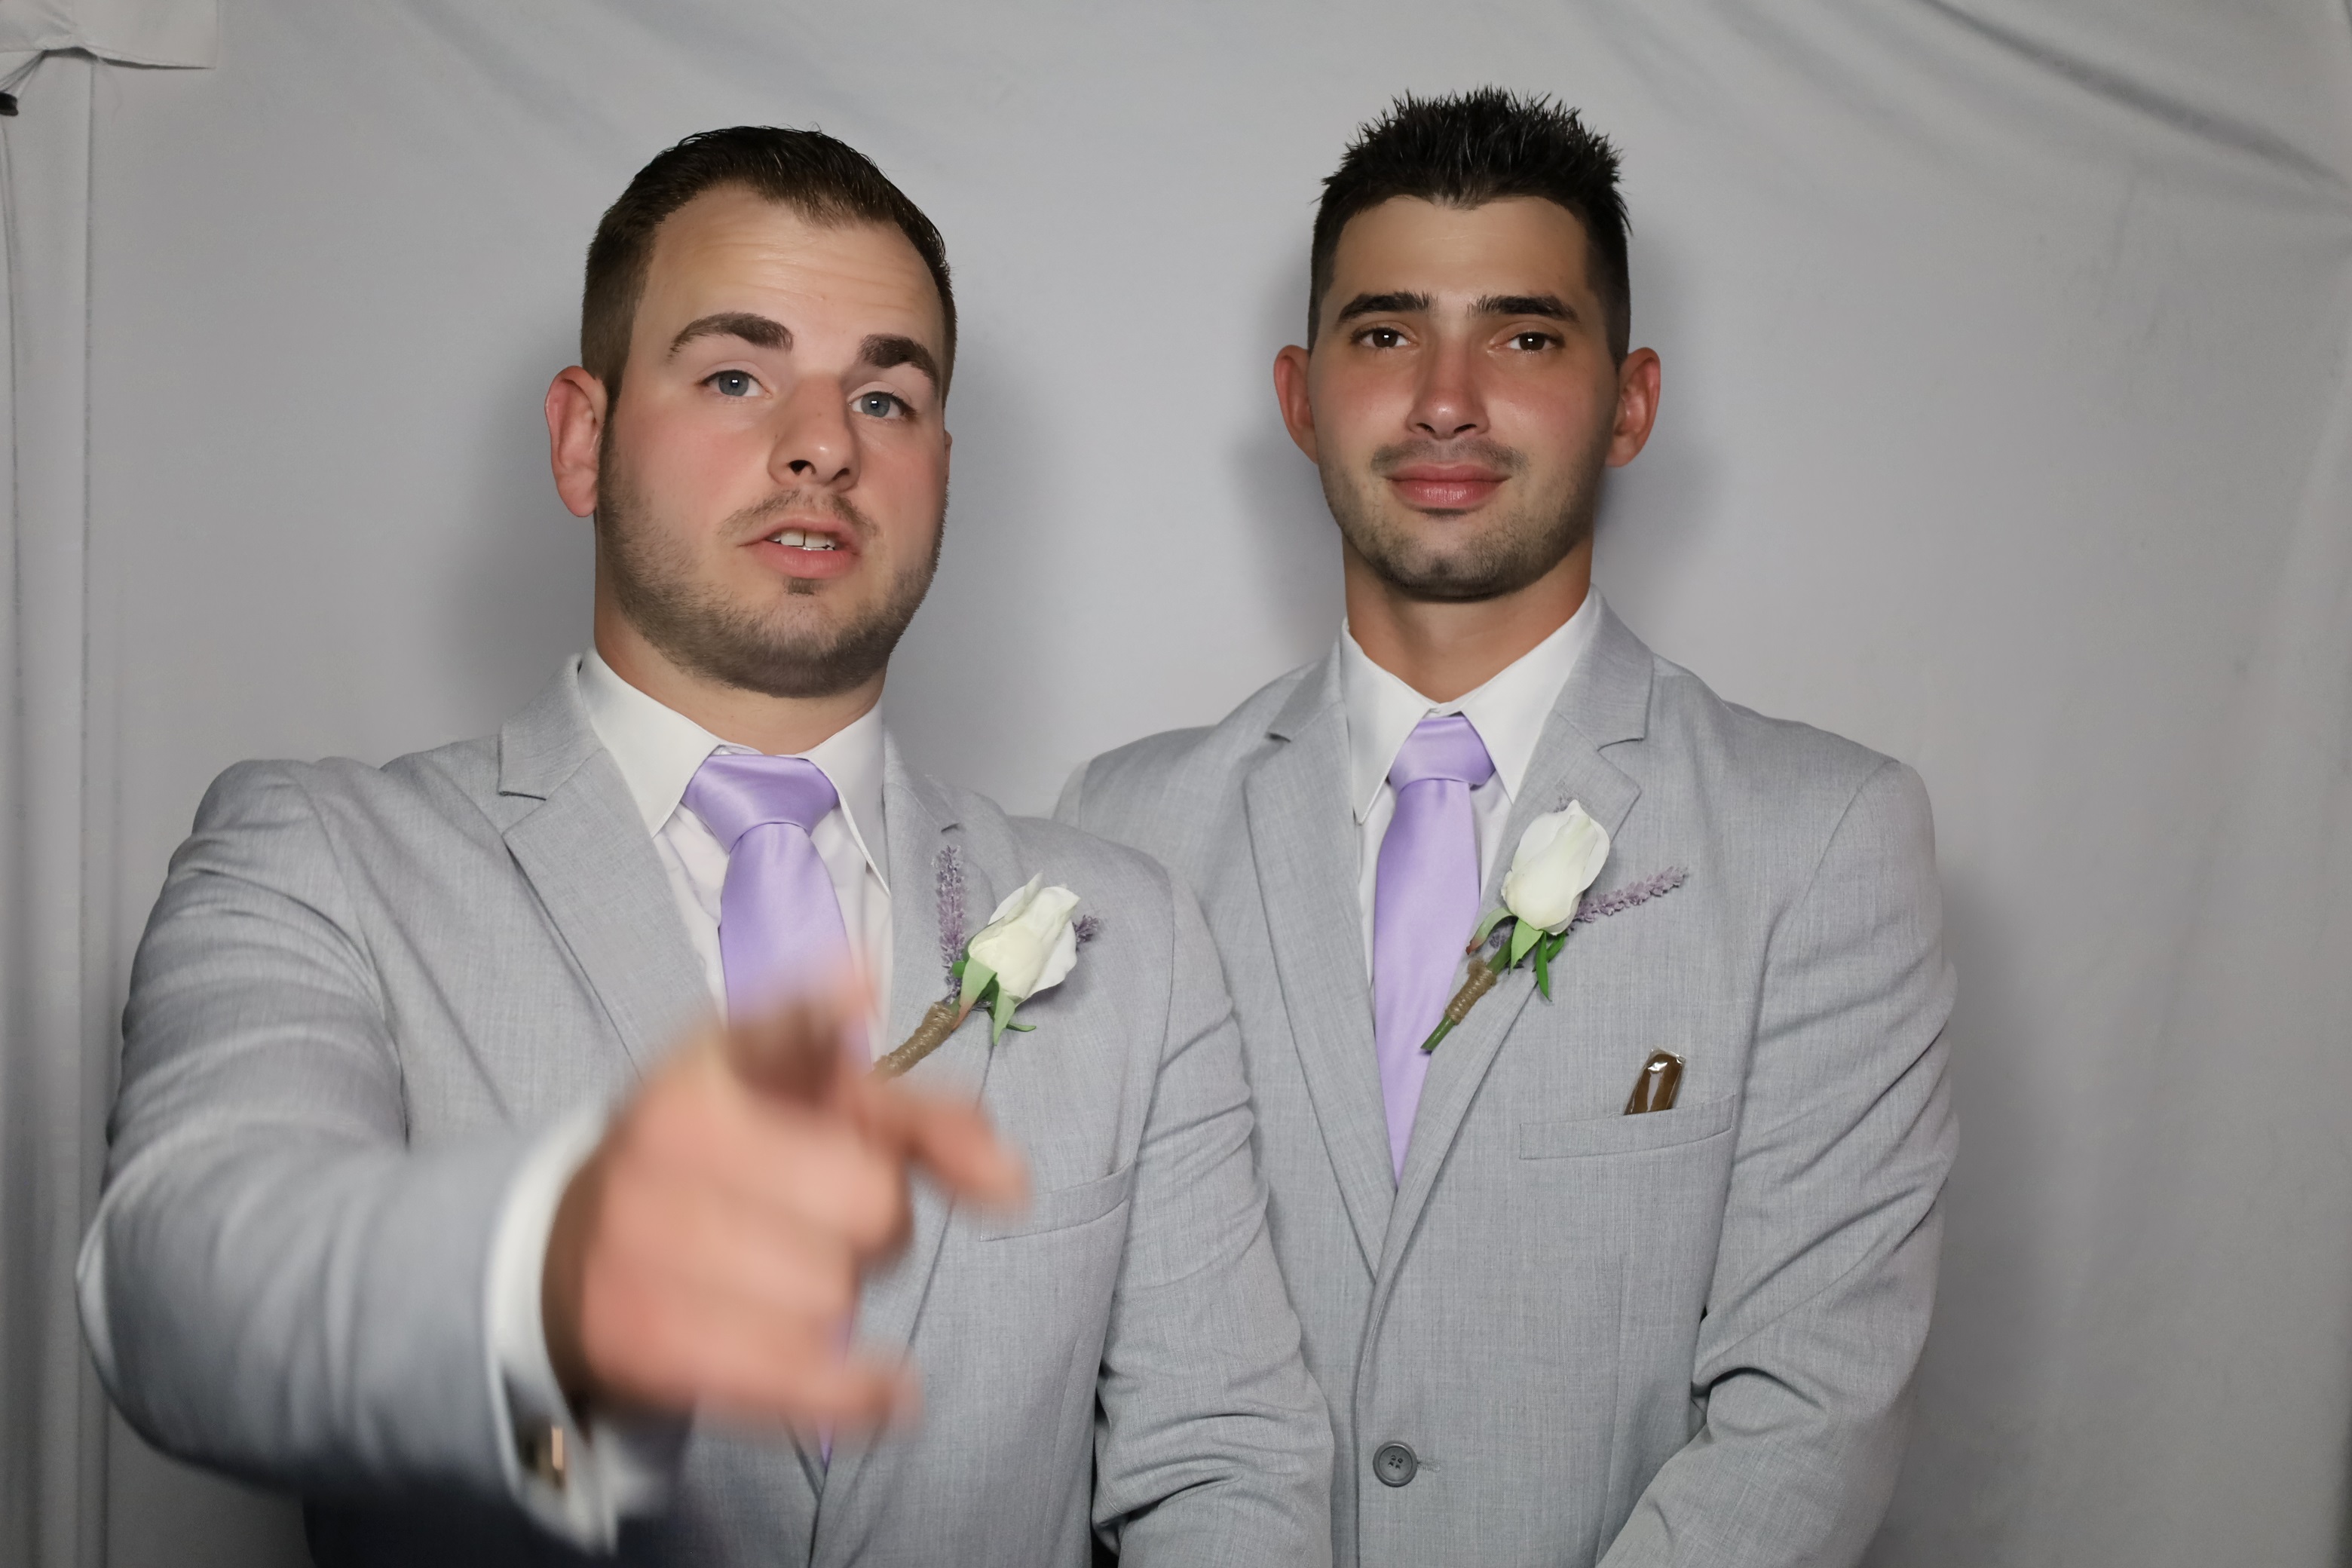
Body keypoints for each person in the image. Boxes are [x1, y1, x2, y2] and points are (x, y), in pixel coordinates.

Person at [78, 126, 1331, 1567]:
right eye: (737, 375)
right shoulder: (317, 860)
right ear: (583, 439)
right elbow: (176, 1286)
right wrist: (550, 1272)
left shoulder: (1132, 932)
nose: (825, 443)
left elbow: (1226, 1465)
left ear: (938, 470)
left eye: (886, 395)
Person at [1058, 89, 1955, 1568]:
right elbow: (1090, 1369)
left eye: (1526, 338)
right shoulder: (1123, 827)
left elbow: (1811, 1411)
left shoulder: (1822, 838)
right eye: (1384, 333)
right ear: (1301, 395)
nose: (1446, 400)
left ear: (1631, 401)